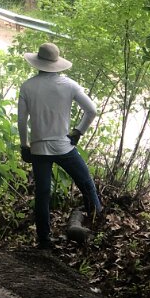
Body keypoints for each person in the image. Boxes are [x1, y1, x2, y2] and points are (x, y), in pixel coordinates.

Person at [17, 42, 103, 249]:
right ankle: (99, 226)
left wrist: (24, 146)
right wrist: (78, 131)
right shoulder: (69, 85)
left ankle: (44, 240)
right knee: (86, 183)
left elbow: (21, 120)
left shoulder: (27, 86)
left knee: (42, 194)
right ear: (56, 63)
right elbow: (92, 110)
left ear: (37, 62)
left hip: (39, 149)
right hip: (64, 146)